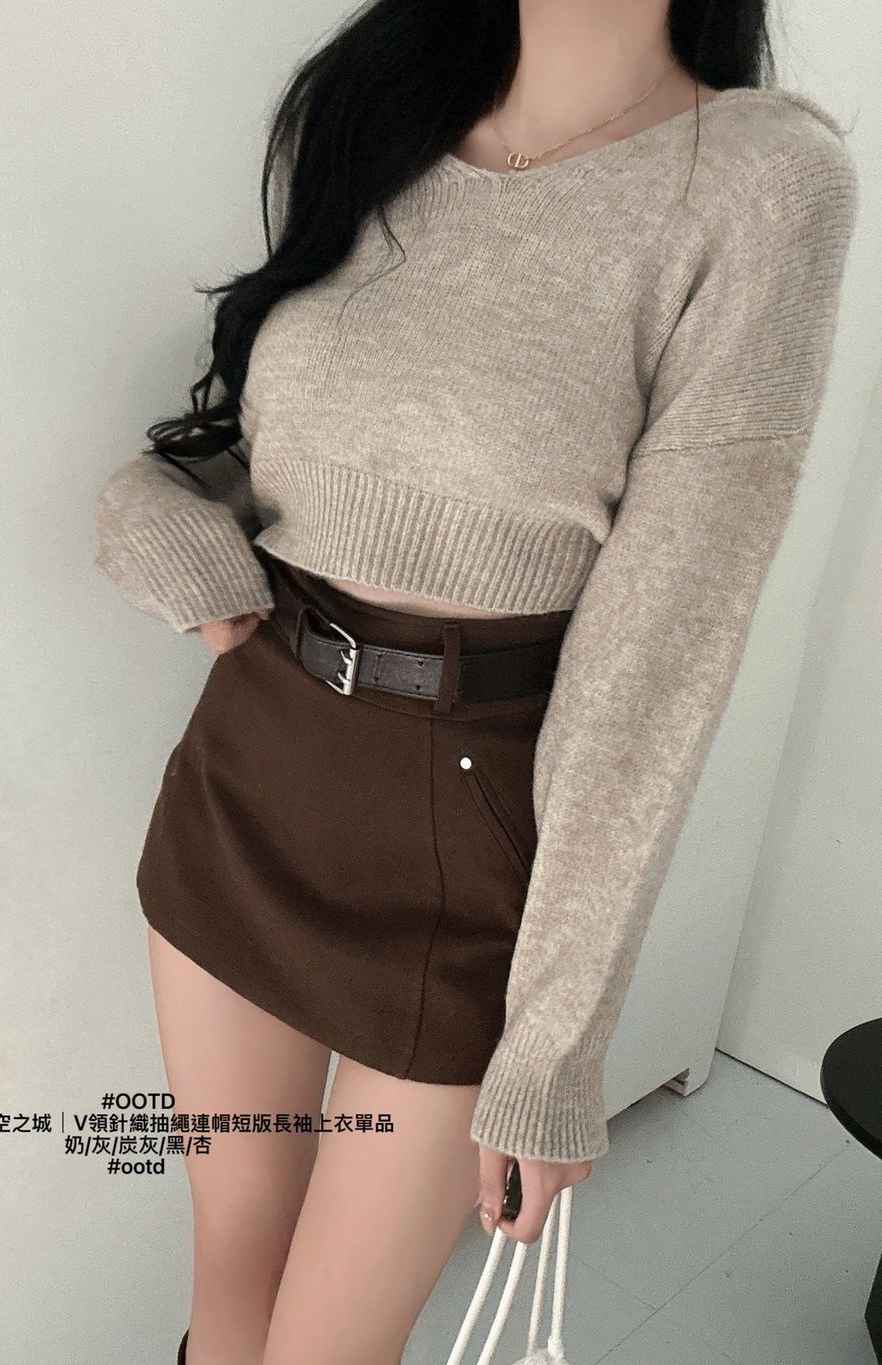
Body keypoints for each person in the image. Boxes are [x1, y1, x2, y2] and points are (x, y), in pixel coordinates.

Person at [92, 0, 860, 1360]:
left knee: (324, 1349)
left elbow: (656, 669)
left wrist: (555, 1050)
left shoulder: (761, 181)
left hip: (472, 821)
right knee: (228, 1279)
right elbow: (288, 447)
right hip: (252, 764)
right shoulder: (370, 107)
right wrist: (156, 514)